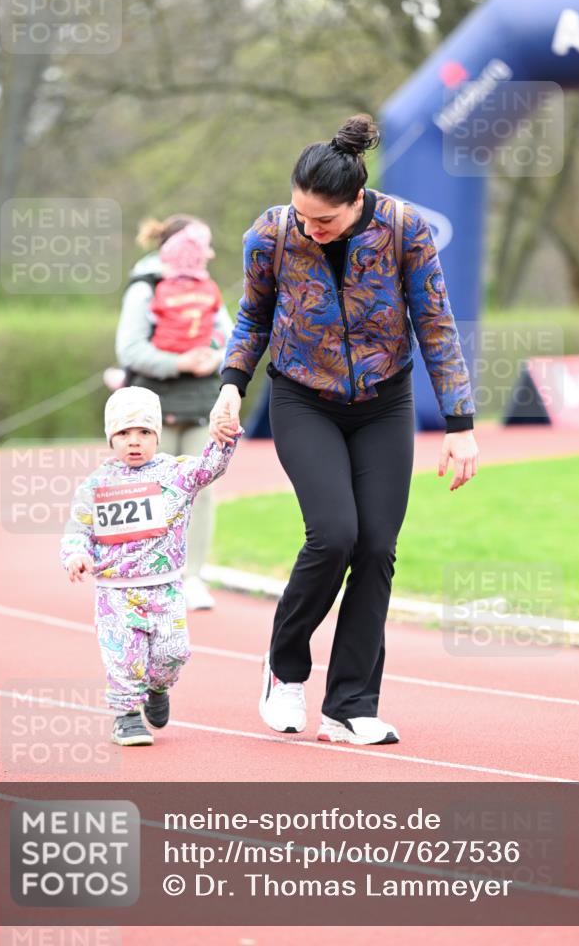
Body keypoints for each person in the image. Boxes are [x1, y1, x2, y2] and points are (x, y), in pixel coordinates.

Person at [209, 114, 479, 747]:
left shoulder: (404, 229)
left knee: (377, 548)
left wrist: (460, 423)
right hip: (303, 397)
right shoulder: (271, 234)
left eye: (324, 220)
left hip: (385, 402)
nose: (311, 228)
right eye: (303, 215)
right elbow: (253, 316)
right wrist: (231, 384)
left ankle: (351, 703)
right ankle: (285, 670)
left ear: (357, 199)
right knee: (333, 535)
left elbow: (435, 323)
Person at [61, 387, 242, 747]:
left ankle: (158, 688)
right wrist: (76, 555)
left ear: (157, 435)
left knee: (173, 653)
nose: (134, 441)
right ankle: (127, 716)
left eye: (144, 432)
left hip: (165, 588)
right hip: (116, 593)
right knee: (124, 658)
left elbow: (210, 467)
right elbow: (78, 529)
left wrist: (223, 437)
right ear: (110, 437)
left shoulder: (176, 473)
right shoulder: (96, 485)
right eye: (124, 433)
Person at [115, 214, 234, 611]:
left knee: (201, 491)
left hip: (201, 404)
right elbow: (129, 348)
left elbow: (230, 337)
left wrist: (213, 357)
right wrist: (179, 363)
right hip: (152, 408)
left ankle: (192, 577)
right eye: (204, 245)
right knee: (149, 492)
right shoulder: (145, 287)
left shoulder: (206, 288)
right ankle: (143, 577)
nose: (211, 254)